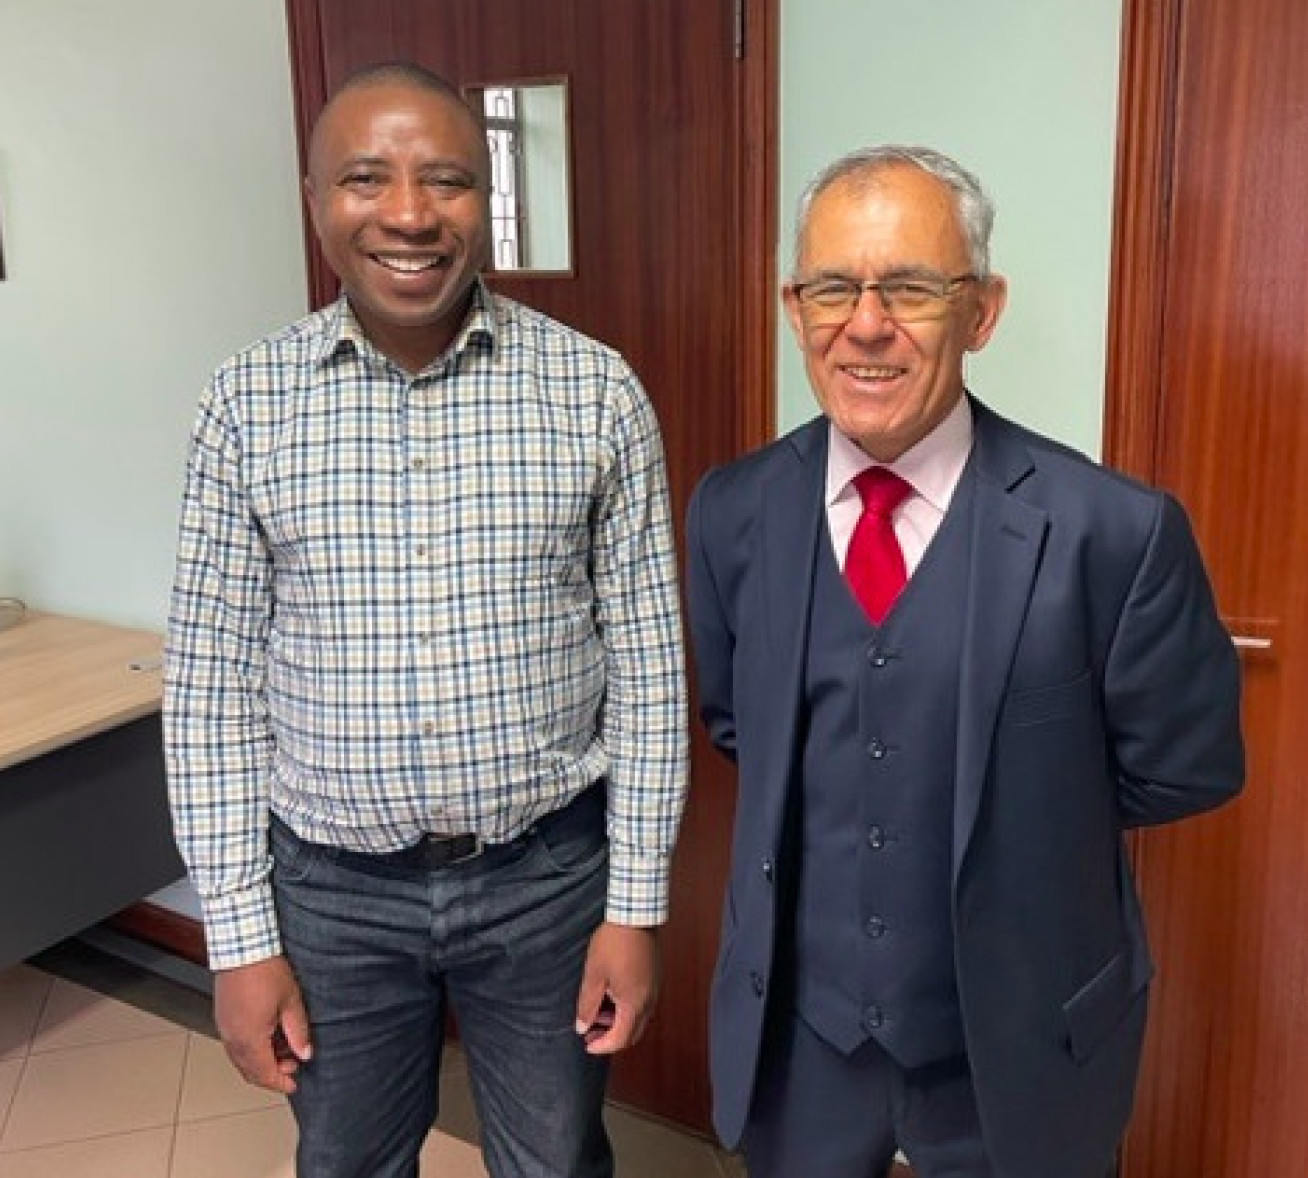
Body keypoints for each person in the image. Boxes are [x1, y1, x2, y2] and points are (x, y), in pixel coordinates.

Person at [164, 62, 687, 1178]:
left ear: (484, 197)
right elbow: (210, 688)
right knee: (348, 1162)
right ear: (316, 199)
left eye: (445, 179)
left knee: (556, 1161)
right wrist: (239, 938)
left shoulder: (594, 393)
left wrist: (634, 906)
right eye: (366, 178)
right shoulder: (245, 406)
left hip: (547, 882)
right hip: (330, 895)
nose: (409, 214)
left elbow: (648, 671)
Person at [685, 144, 1243, 1178]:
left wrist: (1024, 817)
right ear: (794, 309)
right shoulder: (733, 511)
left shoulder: (1113, 531)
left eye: (910, 287)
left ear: (981, 311)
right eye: (832, 288)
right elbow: (738, 726)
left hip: (1020, 1047)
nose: (865, 324)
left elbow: (1186, 768)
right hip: (802, 1048)